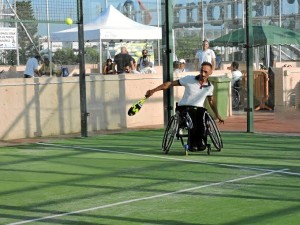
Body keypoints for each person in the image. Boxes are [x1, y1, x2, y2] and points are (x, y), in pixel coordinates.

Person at [145, 62, 224, 151]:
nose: (202, 74)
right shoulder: (189, 79)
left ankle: (200, 142)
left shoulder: (210, 87)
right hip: (184, 108)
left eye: (205, 72)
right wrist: (153, 90)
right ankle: (192, 144)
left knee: (203, 119)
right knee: (192, 120)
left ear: (211, 72)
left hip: (199, 109)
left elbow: (211, 102)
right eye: (201, 71)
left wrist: (218, 115)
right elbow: (169, 84)